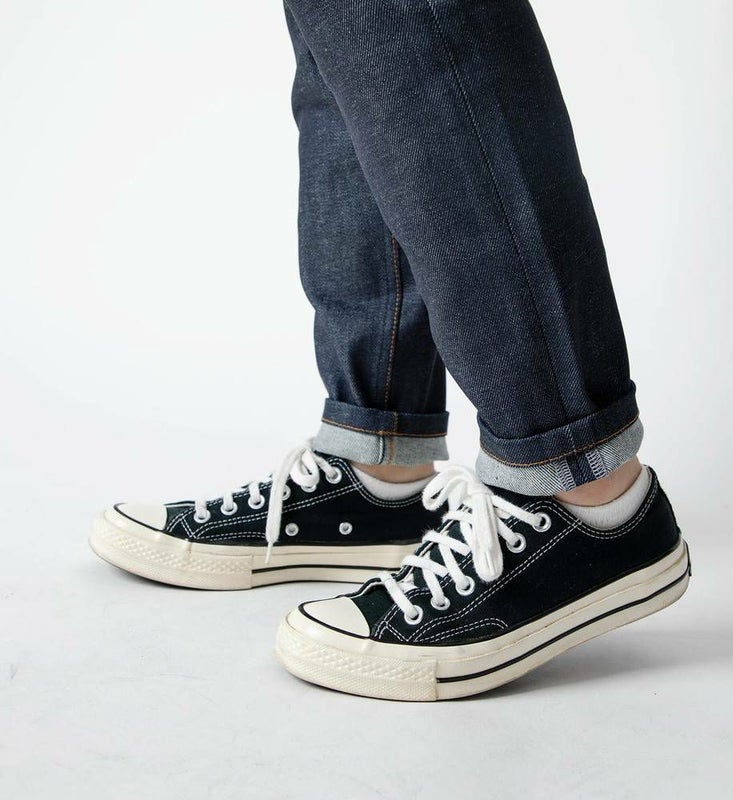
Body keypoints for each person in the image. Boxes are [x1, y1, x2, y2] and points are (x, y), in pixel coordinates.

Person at [90, 1, 689, 700]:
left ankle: (583, 490)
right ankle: (379, 464)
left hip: (577, 487)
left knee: (414, 22)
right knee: (346, 49)